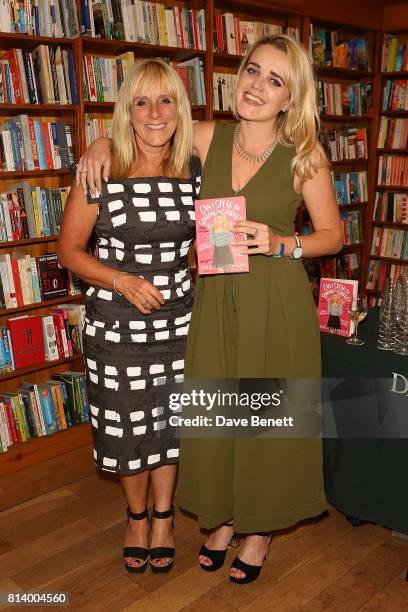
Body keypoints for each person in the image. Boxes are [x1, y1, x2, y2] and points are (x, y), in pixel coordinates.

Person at [76, 35, 343, 585]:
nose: (257, 85)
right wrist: (100, 142)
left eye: (275, 80)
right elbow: (149, 130)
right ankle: (223, 518)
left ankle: (260, 530)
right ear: (236, 77)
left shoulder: (305, 156)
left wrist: (282, 243)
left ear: (291, 98)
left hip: (276, 302)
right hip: (215, 302)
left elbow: (333, 236)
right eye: (252, 71)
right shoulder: (205, 138)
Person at [58, 58, 200, 575]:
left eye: (166, 100)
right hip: (115, 326)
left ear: (179, 109)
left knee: (169, 425)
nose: (155, 112)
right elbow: (69, 249)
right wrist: (120, 279)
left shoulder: (195, 168)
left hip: (181, 324)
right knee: (125, 426)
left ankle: (164, 517)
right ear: (127, 110)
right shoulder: (102, 168)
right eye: (142, 101)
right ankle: (135, 517)